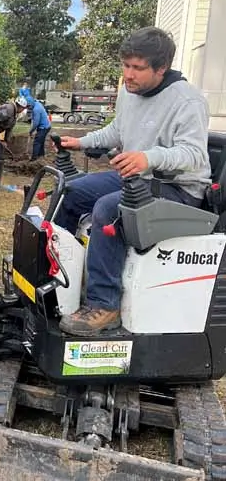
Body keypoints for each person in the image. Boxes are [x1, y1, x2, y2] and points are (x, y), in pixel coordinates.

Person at [54, 26, 211, 336]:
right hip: (137, 180)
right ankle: (58, 272)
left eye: (137, 68)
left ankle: (104, 305)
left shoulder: (187, 101)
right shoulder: (130, 91)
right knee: (69, 192)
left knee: (108, 209)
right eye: (125, 65)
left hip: (180, 190)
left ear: (161, 68)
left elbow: (193, 154)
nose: (128, 74)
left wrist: (148, 157)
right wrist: (81, 142)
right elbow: (117, 132)